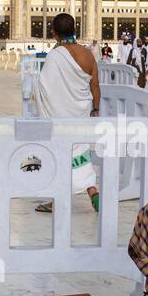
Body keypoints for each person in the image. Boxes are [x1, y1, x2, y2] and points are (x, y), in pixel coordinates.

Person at [33, 13, 100, 213]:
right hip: (80, 113)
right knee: (81, 154)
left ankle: (57, 201)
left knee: (60, 155)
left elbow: (44, 87)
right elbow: (95, 86)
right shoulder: (87, 54)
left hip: (60, 117)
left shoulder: (55, 56)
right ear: (75, 30)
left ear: (53, 33)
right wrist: (95, 109)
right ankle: (93, 192)